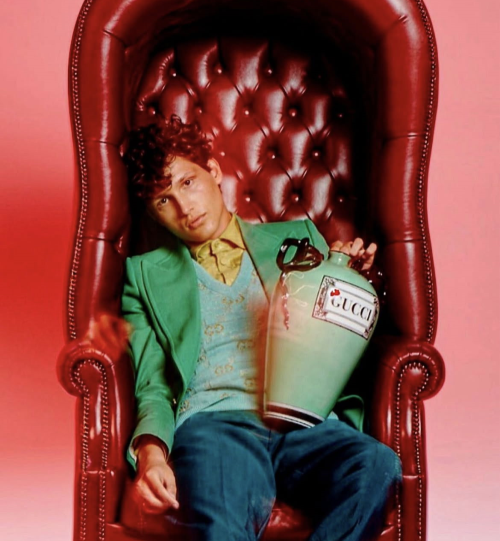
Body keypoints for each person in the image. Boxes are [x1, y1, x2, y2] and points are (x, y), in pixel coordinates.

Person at [93, 116, 401, 541]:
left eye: (187, 183)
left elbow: (336, 340)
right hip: (215, 425)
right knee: (221, 526)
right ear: (153, 213)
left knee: (377, 465)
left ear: (214, 171)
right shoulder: (144, 276)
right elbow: (153, 385)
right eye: (164, 200)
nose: (184, 208)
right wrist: (152, 455)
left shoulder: (301, 240)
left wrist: (349, 279)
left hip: (303, 421)